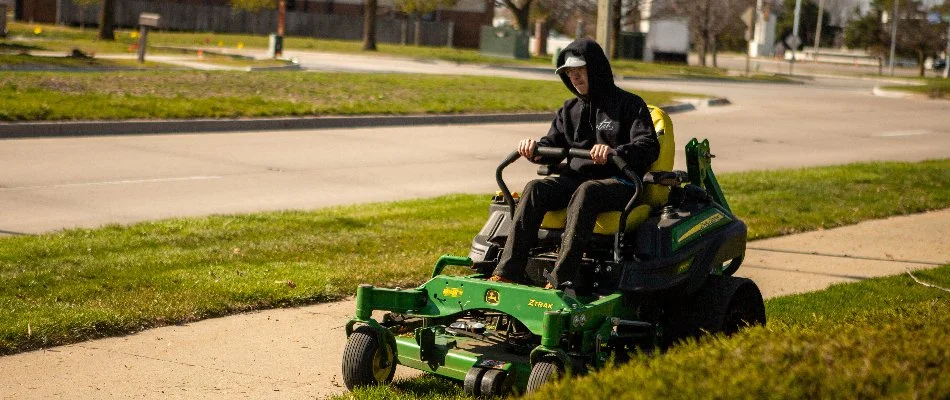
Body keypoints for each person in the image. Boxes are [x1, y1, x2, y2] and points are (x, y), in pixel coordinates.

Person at [488, 38, 660, 289]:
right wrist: (534, 150)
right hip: (577, 180)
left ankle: (561, 278)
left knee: (587, 191)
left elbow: (648, 146)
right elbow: (551, 145)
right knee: (536, 188)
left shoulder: (630, 104)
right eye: (569, 73)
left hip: (620, 182)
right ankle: (507, 272)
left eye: (580, 71)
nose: (575, 78)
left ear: (596, 70)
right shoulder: (569, 110)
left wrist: (616, 151)